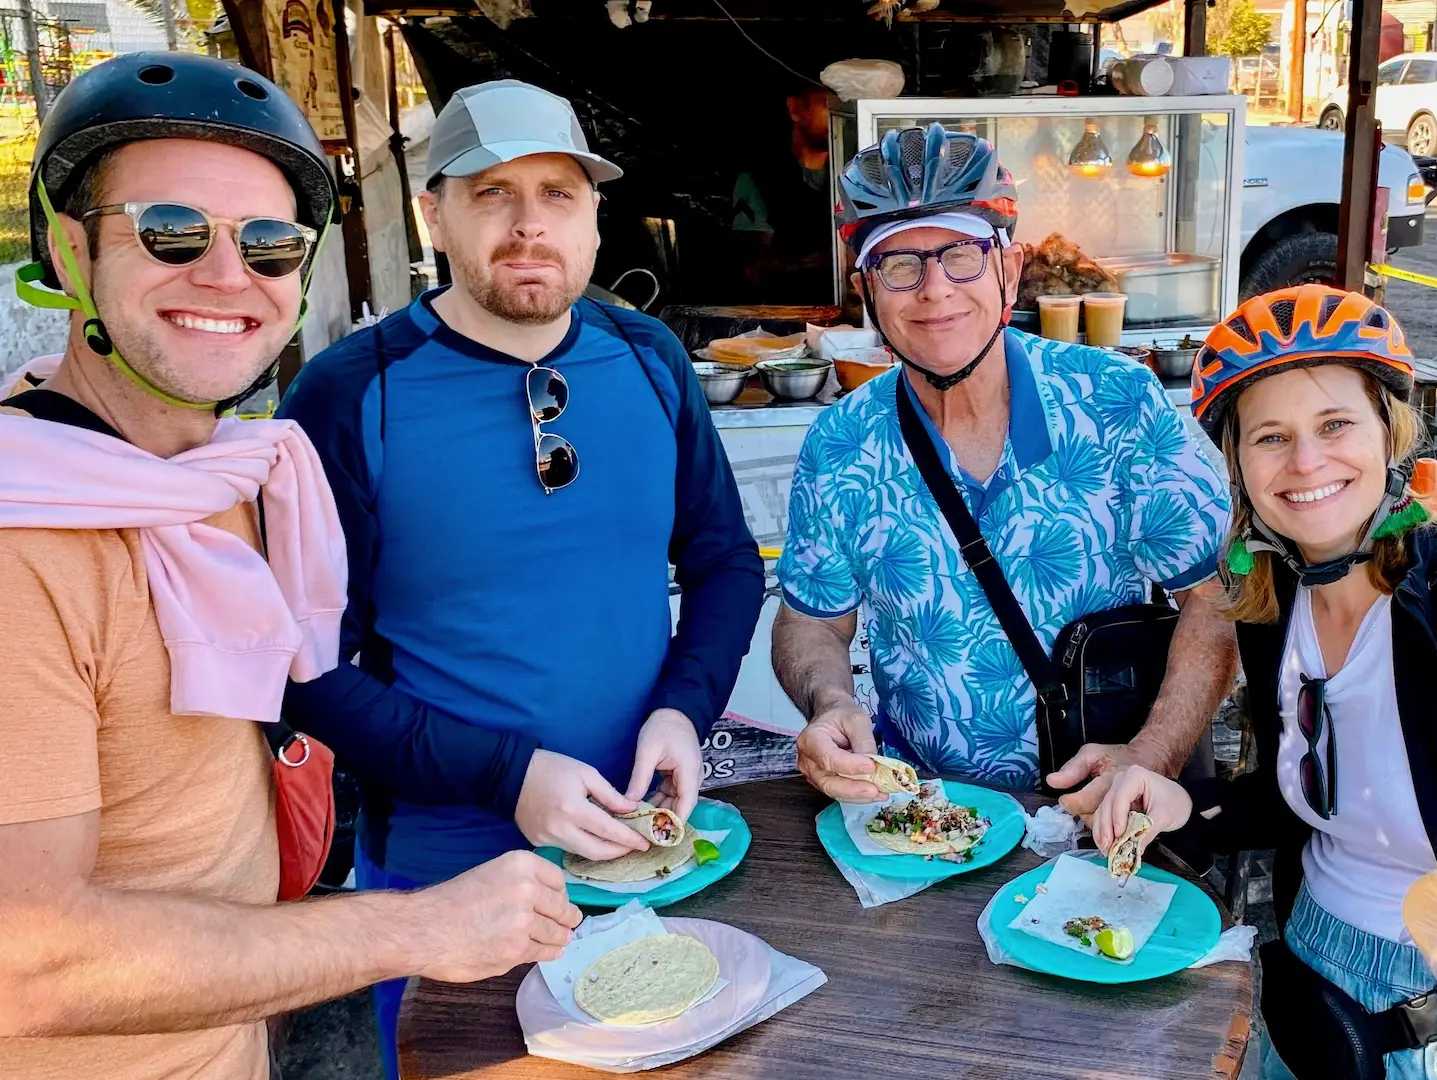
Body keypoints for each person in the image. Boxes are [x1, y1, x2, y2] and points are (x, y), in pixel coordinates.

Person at [0, 53, 581, 1080]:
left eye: (269, 244)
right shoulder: (27, 539)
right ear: (69, 247)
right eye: (170, 231)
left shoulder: (226, 473)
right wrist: (413, 927)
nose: (229, 277)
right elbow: (22, 963)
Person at [277, 79, 763, 1078]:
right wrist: (511, 778)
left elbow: (720, 561)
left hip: (651, 851)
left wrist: (683, 708)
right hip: (446, 879)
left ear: (594, 217)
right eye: (491, 192)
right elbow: (303, 670)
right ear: (434, 212)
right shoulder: (348, 392)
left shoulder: (648, 357)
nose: (528, 225)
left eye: (558, 193)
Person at [1095, 285, 1437, 1080]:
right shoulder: (1273, 602)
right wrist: (1185, 804)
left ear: (1390, 434)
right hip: (1305, 984)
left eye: (1335, 425)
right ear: (1237, 467)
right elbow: (1324, 799)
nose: (1305, 463)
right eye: (1270, 437)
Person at [772, 122, 1238, 813]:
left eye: (960, 255)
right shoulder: (842, 443)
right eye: (899, 265)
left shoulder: (1114, 402)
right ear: (866, 290)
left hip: (1102, 800)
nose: (934, 291)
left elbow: (1216, 597)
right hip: (922, 805)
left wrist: (1149, 759)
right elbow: (812, 619)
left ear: (1009, 270)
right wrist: (830, 700)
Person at [731, 84, 836, 303]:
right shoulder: (758, 178)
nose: (837, 111)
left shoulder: (857, 173)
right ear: (794, 109)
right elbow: (756, 266)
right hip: (784, 316)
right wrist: (831, 260)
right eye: (826, 103)